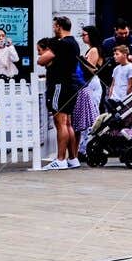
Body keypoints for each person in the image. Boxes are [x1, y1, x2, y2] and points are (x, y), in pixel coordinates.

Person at [36, 16, 82, 170]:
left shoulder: (60, 43)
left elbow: (41, 60)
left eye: (54, 26)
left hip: (59, 85)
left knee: (60, 123)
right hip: (71, 84)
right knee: (67, 123)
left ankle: (60, 159)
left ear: (59, 26)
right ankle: (73, 158)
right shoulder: (74, 43)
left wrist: (46, 58)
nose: (53, 28)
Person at [72, 25, 104, 149]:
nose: (82, 37)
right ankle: (85, 145)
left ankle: (88, 146)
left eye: (84, 34)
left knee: (91, 113)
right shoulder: (90, 49)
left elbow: (90, 69)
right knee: (89, 113)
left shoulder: (94, 50)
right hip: (89, 83)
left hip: (91, 83)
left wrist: (80, 61)